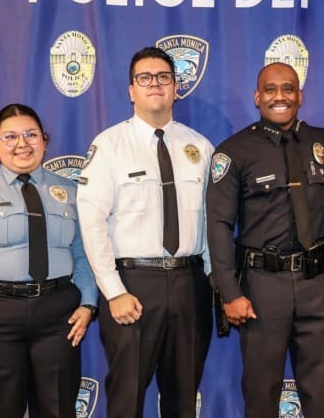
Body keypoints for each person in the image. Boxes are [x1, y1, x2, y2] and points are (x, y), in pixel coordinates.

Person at [76, 47, 213, 418]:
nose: (156, 84)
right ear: (131, 90)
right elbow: (92, 223)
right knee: (126, 397)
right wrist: (114, 291)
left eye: (164, 77)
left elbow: (213, 225)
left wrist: (216, 283)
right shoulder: (109, 146)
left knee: (184, 398)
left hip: (189, 284)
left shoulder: (199, 147)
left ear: (175, 88)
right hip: (132, 285)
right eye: (145, 78)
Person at [0, 103, 98, 417]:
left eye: (31, 135)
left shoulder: (68, 190)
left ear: (45, 140)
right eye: (10, 137)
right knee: (0, 410)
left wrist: (88, 302)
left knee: (58, 409)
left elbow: (83, 252)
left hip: (58, 318)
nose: (22, 144)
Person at [207, 62, 324, 418]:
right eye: (270, 89)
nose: (279, 96)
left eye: (287, 88)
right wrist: (229, 294)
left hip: (316, 282)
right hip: (262, 287)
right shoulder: (234, 151)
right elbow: (218, 225)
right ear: (257, 97)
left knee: (323, 391)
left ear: (300, 95)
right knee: (261, 392)